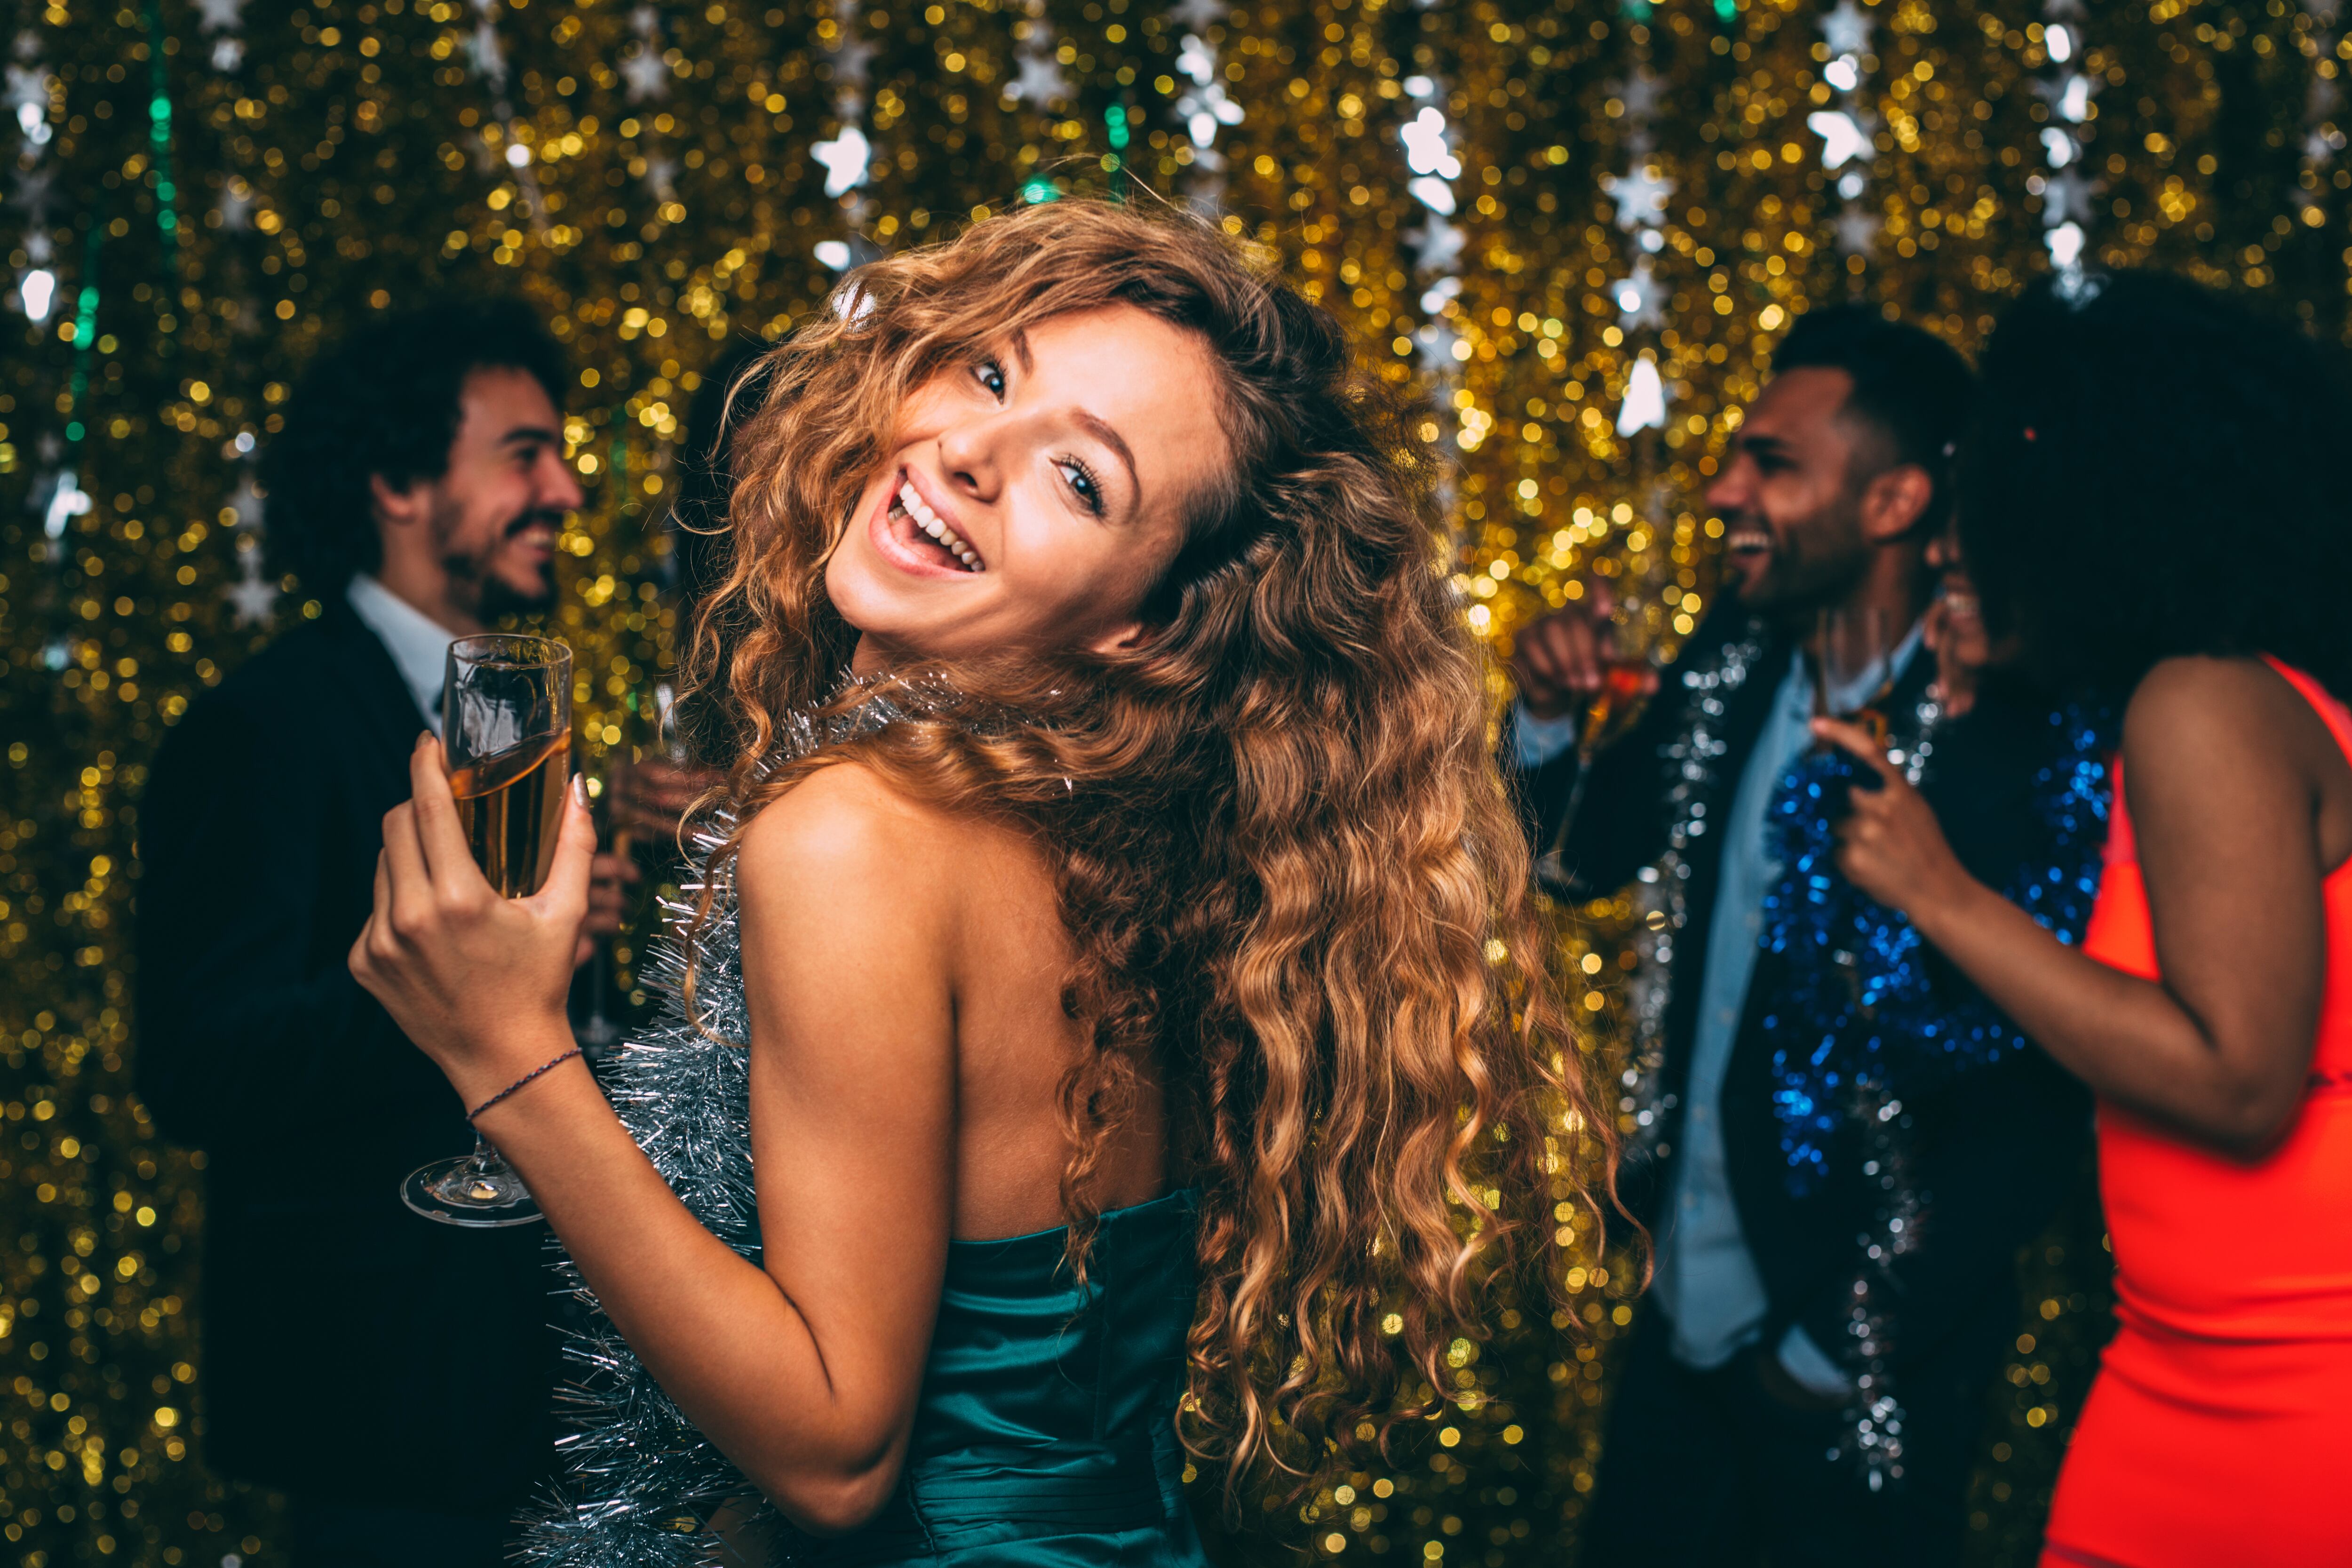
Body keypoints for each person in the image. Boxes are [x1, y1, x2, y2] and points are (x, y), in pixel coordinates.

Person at [343, 200, 1608, 1566]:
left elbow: (839, 1457)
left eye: (1082, 481)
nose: (968, 455)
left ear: (1141, 616)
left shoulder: (853, 836)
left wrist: (509, 1056)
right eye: (991, 375)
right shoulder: (1122, 846)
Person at [1510, 305, 2099, 1565]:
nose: (1725, 492)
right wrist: (1548, 721)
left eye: (1771, 464)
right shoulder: (1735, 657)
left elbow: (2032, 1104)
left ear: (1893, 503)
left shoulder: (2010, 737)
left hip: (1861, 1374)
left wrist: (1837, 1348)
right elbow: (1574, 860)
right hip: (1682, 1320)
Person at [1815, 271, 2352, 1568]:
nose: (1952, 538)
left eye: (1994, 485)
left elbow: (2239, 1081)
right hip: (2182, 1364)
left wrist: (1940, 895)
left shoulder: (2203, 707)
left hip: (2290, 1394)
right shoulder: (2242, 695)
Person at [135, 299, 626, 1566]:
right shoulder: (262, 726)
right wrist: (459, 984)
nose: (567, 489)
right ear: (400, 481)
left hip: (566, 1408)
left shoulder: (518, 719)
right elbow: (199, 1066)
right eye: (525, 453)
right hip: (392, 1429)